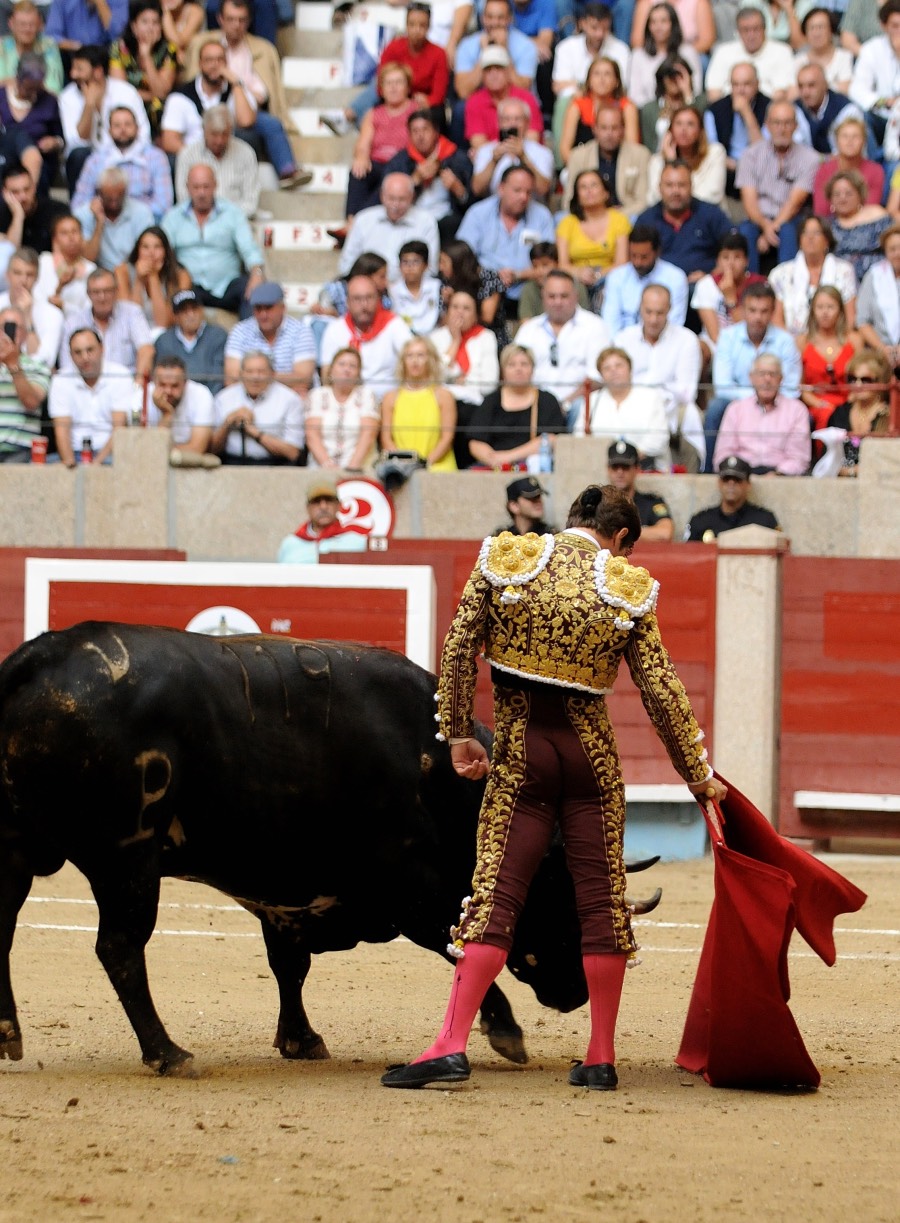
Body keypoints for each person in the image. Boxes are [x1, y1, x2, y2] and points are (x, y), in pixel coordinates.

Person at [381, 484, 724, 1091]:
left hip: (522, 755)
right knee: (601, 907)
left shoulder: (506, 562)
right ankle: (600, 1057)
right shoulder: (623, 587)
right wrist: (698, 777)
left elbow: (459, 650)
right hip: (592, 762)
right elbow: (663, 695)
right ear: (619, 538)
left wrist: (460, 736)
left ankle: (450, 1045)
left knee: (496, 896)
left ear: (568, 521)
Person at [164, 36, 309, 189]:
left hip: (228, 154)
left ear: (227, 63)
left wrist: (236, 83)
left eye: (220, 60)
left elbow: (246, 120)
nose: (215, 65)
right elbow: (169, 140)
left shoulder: (235, 90)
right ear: (200, 64)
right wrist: (199, 157)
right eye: (209, 60)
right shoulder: (181, 96)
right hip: (195, 157)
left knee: (250, 135)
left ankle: (287, 171)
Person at [706, 281, 800, 466]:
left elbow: (791, 389)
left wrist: (766, 397)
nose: (758, 317)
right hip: (736, 403)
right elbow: (722, 387)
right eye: (752, 310)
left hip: (777, 402)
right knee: (716, 408)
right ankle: (710, 471)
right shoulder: (728, 337)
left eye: (764, 311)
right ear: (742, 310)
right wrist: (755, 398)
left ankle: (796, 470)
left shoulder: (786, 341)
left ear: (773, 312)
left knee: (803, 413)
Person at [321, 2, 450, 135]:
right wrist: (397, 94)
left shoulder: (438, 54)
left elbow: (439, 94)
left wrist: (426, 101)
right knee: (378, 84)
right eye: (412, 24)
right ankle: (349, 116)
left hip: (422, 103)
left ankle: (347, 116)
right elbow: (382, 81)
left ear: (429, 27)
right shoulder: (394, 47)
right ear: (406, 26)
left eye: (422, 25)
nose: (417, 30)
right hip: (395, 94)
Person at [615, 283, 704, 469]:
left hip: (671, 407)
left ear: (670, 310)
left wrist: (653, 398)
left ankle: (689, 473)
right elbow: (618, 383)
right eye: (648, 312)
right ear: (640, 308)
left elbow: (687, 392)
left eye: (660, 313)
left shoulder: (686, 339)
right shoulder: (623, 339)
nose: (654, 319)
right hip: (630, 404)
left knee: (691, 415)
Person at [162, 163, 265, 318]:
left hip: (226, 285)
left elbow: (249, 248)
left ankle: (249, 340)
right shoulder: (173, 217)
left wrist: (257, 273)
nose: (201, 193)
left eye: (206, 187)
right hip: (189, 287)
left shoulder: (232, 213)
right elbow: (163, 251)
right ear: (187, 187)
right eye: (196, 187)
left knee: (251, 289)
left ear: (215, 185)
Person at [455, 165, 555, 312]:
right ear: (501, 188)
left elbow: (551, 264)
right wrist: (492, 276)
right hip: (484, 289)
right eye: (517, 190)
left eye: (528, 192)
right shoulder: (478, 213)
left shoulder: (542, 216)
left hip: (529, 289)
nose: (523, 197)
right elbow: (462, 258)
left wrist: (518, 275)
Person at [736, 100, 819, 273]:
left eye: (787, 123)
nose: (782, 129)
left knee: (789, 231)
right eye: (776, 123)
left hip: (791, 218)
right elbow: (749, 201)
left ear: (796, 126)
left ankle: (786, 287)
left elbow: (794, 203)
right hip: (758, 218)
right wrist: (765, 226)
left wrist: (771, 230)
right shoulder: (750, 155)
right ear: (767, 125)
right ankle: (750, 285)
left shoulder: (810, 158)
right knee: (745, 231)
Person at [59, 44, 150, 195]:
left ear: (98, 72)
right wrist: (88, 106)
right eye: (73, 69)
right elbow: (75, 142)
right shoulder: (68, 97)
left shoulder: (126, 92)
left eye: (79, 69)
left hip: (125, 155)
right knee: (78, 154)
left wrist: (116, 157)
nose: (73, 74)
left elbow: (143, 135)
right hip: (89, 162)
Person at [514, 269, 610, 406]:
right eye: (552, 296)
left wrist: (564, 405)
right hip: (535, 405)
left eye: (564, 296)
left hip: (579, 405)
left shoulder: (595, 326)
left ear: (576, 296)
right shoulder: (529, 330)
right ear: (543, 297)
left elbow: (597, 378)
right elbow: (515, 372)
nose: (557, 302)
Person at [429, 289, 500, 467]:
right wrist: (455, 342)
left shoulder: (486, 337)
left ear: (475, 314)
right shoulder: (436, 337)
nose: (460, 312)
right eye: (455, 307)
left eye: (466, 308)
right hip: (441, 402)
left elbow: (490, 383)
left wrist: (462, 380)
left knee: (467, 414)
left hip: (474, 405)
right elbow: (433, 377)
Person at [635, 160, 735, 285]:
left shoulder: (711, 214)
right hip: (658, 288)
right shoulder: (646, 220)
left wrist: (711, 276)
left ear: (691, 187)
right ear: (659, 188)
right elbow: (636, 260)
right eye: (669, 185)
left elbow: (735, 250)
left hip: (702, 286)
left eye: (681, 185)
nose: (676, 191)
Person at [467, 343, 566, 468]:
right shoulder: (491, 401)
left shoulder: (547, 400)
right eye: (511, 365)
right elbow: (475, 443)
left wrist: (508, 457)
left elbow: (551, 439)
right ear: (503, 370)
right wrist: (494, 460)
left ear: (533, 369)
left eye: (524, 364)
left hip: (532, 467)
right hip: (494, 467)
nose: (518, 369)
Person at [713, 352, 812, 475]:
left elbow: (799, 458)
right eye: (761, 374)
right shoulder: (735, 409)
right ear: (751, 378)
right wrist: (739, 473)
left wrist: (778, 474)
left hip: (781, 476)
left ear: (781, 378)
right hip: (741, 476)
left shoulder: (797, 410)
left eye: (773, 374)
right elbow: (723, 454)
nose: (767, 379)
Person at [71, 105, 173, 224]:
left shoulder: (156, 157)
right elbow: (78, 205)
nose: (123, 129)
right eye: (117, 125)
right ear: (109, 131)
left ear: (138, 128)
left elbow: (164, 205)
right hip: (105, 222)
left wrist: (127, 212)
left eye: (128, 124)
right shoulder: (95, 161)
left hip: (143, 223)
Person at [380, 109, 471, 238]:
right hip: (411, 217)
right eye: (415, 131)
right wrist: (413, 181)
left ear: (436, 132)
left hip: (446, 219)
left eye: (425, 130)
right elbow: (386, 195)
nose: (420, 136)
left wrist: (459, 190)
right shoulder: (399, 162)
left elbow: (474, 201)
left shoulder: (457, 158)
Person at [575, 346, 671, 469]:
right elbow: (579, 437)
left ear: (630, 369)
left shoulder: (650, 397)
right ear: (601, 375)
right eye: (607, 368)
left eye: (619, 365)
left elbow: (659, 438)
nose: (613, 371)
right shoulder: (592, 400)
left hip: (644, 466)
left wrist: (628, 457)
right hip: (601, 467)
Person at [48, 328, 130, 468]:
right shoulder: (60, 379)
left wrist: (95, 466)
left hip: (111, 455)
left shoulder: (120, 375)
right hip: (74, 454)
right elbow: (61, 430)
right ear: (70, 355)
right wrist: (70, 466)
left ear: (102, 349)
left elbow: (119, 429)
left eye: (90, 350)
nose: (85, 357)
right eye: (78, 352)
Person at [344, 62, 417, 218]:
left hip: (402, 164)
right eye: (388, 83)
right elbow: (363, 143)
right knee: (358, 172)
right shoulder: (373, 113)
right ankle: (351, 219)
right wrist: (361, 157)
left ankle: (356, 222)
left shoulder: (415, 111)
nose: (393, 87)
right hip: (377, 163)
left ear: (408, 87)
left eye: (398, 83)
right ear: (381, 89)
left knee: (390, 176)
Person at [320, 273, 412, 394]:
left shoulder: (394, 324)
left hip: (388, 399)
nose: (364, 305)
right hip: (348, 399)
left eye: (369, 298)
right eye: (357, 299)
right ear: (347, 302)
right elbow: (327, 375)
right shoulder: (335, 329)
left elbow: (412, 359)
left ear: (378, 299)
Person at [339, 172, 439, 283]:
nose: (395, 205)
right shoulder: (364, 219)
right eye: (391, 198)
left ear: (412, 197)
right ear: (382, 195)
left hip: (410, 290)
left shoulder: (425, 221)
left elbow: (431, 267)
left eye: (402, 199)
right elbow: (347, 263)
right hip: (370, 290)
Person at [769, 215, 857, 337]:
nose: (810, 237)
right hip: (790, 344)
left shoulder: (845, 270)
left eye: (816, 233)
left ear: (827, 240)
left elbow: (850, 318)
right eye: (805, 233)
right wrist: (794, 346)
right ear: (799, 240)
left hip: (834, 342)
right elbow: (776, 319)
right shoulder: (780, 273)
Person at [61, 266, 155, 380]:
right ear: (88, 294)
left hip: (127, 386)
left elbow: (146, 350)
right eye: (96, 292)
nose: (102, 297)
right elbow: (67, 366)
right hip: (87, 388)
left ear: (116, 291)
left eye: (107, 291)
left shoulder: (132, 313)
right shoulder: (73, 322)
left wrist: (138, 386)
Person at [211, 350, 304, 464]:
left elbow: (293, 453)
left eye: (261, 372)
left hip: (275, 465)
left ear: (272, 374)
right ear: (241, 374)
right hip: (230, 462)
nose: (255, 377)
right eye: (249, 371)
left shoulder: (289, 399)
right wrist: (227, 423)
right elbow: (211, 450)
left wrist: (253, 431)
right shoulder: (224, 398)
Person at [380, 335, 458, 471]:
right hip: (400, 470)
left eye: (420, 355)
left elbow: (447, 438)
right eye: (409, 356)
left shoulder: (443, 395)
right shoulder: (390, 397)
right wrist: (403, 464)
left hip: (438, 468)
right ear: (403, 361)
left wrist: (424, 464)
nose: (415, 361)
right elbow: (386, 439)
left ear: (430, 359)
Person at [223, 280, 316, 390]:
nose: (263, 314)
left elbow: (303, 380)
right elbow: (231, 378)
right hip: (250, 398)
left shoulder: (300, 331)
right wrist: (279, 378)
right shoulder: (240, 331)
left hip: (291, 398)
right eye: (258, 308)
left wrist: (255, 378)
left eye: (268, 308)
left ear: (283, 308)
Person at [562, 103, 650, 217]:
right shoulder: (578, 156)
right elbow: (569, 200)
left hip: (626, 214)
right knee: (561, 218)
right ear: (595, 129)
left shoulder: (640, 155)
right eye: (604, 128)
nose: (609, 134)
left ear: (622, 129)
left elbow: (643, 201)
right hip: (588, 217)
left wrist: (613, 216)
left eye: (614, 128)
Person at [173, 104, 260, 219]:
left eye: (224, 134)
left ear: (231, 131)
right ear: (204, 130)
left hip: (235, 222)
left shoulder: (246, 153)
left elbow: (251, 202)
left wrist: (225, 220)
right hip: (197, 223)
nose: (219, 141)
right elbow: (183, 200)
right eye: (214, 134)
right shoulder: (187, 155)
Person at [690, 231, 766, 363]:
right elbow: (715, 335)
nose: (731, 263)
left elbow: (751, 331)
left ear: (746, 261)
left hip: (752, 344)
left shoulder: (760, 285)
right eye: (725, 257)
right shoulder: (706, 284)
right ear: (717, 261)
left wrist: (731, 299)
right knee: (696, 348)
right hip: (715, 344)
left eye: (737, 257)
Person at [556, 169, 631, 299]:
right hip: (576, 279)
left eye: (594, 185)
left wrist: (598, 275)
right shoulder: (567, 223)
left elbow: (622, 262)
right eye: (583, 187)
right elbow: (562, 264)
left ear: (606, 193)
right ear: (577, 195)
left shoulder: (619, 220)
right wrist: (579, 273)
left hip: (611, 277)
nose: (589, 190)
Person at [108, 0, 179, 137]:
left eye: (155, 22)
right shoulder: (119, 49)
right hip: (127, 106)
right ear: (134, 26)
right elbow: (120, 91)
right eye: (145, 22)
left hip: (158, 110)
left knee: (158, 106)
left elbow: (161, 92)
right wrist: (149, 95)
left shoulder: (168, 50)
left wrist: (146, 57)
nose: (150, 28)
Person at [600, 223, 689, 332]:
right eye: (633, 256)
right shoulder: (616, 277)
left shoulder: (675, 278)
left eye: (644, 257)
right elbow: (610, 323)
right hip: (622, 343)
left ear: (657, 252)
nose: (638, 262)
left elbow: (674, 324)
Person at [303, 347, 380, 471]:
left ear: (358, 373)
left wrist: (352, 468)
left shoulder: (367, 395)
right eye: (342, 364)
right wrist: (328, 466)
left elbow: (369, 434)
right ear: (331, 370)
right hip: (320, 468)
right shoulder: (317, 395)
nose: (346, 369)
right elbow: (312, 435)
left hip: (359, 469)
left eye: (352, 366)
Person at [703, 62, 768, 205]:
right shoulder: (714, 110)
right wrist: (735, 165)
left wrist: (747, 113)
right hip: (727, 170)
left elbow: (764, 152)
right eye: (735, 85)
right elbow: (712, 151)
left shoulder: (769, 107)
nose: (740, 90)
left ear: (757, 84)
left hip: (761, 172)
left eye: (746, 85)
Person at [798, 285, 861, 430]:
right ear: (813, 311)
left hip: (850, 402)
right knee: (826, 415)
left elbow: (862, 379)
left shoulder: (854, 340)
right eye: (820, 307)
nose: (825, 312)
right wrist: (819, 404)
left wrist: (848, 403)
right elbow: (801, 387)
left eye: (830, 307)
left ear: (840, 311)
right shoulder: (802, 342)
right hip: (816, 404)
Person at [0, 53, 63, 195]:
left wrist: (54, 142)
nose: (32, 92)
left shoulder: (49, 101)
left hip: (38, 159)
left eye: (37, 87)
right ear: (18, 78)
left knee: (37, 172)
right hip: (3, 156)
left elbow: (60, 137)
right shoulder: (1, 95)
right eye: (28, 88)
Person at [470, 96, 554, 201]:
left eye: (518, 119)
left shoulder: (542, 153)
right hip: (495, 210)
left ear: (527, 123)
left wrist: (523, 157)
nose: (512, 124)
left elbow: (544, 190)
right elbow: (477, 189)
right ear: (499, 123)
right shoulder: (486, 151)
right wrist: (494, 161)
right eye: (507, 119)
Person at [704, 5, 795, 102]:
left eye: (756, 29)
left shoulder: (782, 51)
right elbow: (713, 93)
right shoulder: (723, 52)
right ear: (738, 31)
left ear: (765, 29)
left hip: (768, 111)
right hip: (730, 110)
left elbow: (782, 93)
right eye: (745, 30)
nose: (751, 35)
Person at [559, 56, 640, 164]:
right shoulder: (577, 106)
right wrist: (580, 169)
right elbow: (565, 149)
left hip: (619, 166)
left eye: (607, 74)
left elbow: (632, 147)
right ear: (589, 80)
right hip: (583, 166)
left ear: (616, 81)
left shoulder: (627, 107)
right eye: (596, 74)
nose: (602, 79)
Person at [462, 44, 544, 151]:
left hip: (526, 155)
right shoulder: (475, 101)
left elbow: (533, 139)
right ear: (482, 75)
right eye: (488, 70)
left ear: (508, 71)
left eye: (499, 69)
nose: (494, 74)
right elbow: (478, 145)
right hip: (493, 159)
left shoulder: (526, 98)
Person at [826, 347, 893, 475]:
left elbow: (888, 461)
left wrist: (851, 471)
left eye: (865, 380)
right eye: (852, 379)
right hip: (839, 485)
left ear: (880, 381)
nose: (858, 385)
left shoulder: (889, 416)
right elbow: (827, 456)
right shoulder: (840, 413)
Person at [113, 224, 191, 333]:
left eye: (157, 247)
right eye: (145, 247)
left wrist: (153, 277)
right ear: (138, 250)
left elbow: (163, 323)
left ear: (166, 251)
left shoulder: (180, 275)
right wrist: (139, 280)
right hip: (132, 334)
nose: (151, 253)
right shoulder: (122, 271)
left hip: (165, 335)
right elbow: (130, 319)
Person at [646, 106, 727, 207]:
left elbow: (713, 196)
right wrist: (671, 163)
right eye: (679, 124)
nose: (683, 129)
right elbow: (653, 199)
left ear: (700, 131)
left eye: (690, 124)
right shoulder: (657, 161)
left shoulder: (715, 153)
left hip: (707, 217)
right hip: (669, 220)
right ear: (670, 131)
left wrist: (674, 198)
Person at [684, 453, 779, 539]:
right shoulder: (701, 521)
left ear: (748, 484)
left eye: (737, 479)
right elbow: (687, 554)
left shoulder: (764, 521)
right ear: (719, 483)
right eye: (726, 479)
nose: (731, 484)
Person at [153, 286, 227, 395]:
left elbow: (218, 378)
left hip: (210, 400)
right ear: (176, 316)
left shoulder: (218, 336)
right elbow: (161, 378)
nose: (191, 315)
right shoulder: (164, 341)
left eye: (194, 308)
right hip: (173, 398)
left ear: (202, 310)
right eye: (184, 311)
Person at [627, 2, 703, 108]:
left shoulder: (688, 52)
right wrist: (658, 109)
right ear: (648, 26)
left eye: (663, 21)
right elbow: (635, 96)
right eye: (653, 22)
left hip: (684, 110)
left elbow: (697, 89)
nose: (658, 27)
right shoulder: (638, 55)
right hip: (651, 114)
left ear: (673, 24)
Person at [0, 246, 63, 370]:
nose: (23, 280)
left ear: (37, 278)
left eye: (29, 274)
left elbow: (45, 362)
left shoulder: (53, 314)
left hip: (34, 381)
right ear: (7, 275)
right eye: (17, 273)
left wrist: (27, 317)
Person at [0, 303, 49, 461]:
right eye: (4, 327)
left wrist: (13, 365)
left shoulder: (37, 366)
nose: (9, 333)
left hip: (20, 450)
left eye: (15, 328)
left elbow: (31, 401)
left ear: (26, 334)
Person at [824, 170, 892, 282]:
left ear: (860, 195)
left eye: (848, 193)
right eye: (837, 194)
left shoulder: (877, 216)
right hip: (839, 281)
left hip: (879, 278)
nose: (842, 198)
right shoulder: (827, 226)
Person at [144, 353, 215, 458]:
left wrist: (159, 452)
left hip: (190, 465)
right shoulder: (142, 396)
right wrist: (167, 414)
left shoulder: (201, 394)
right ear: (154, 382)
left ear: (186, 382)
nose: (168, 391)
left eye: (174, 385)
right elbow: (145, 451)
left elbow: (197, 449)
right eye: (162, 385)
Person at [276, 482, 369, 562]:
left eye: (329, 501)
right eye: (316, 502)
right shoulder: (290, 544)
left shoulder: (357, 542)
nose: (323, 507)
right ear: (308, 508)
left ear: (338, 506)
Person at [439, 238, 506, 348]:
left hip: (488, 337)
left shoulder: (489, 278)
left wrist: (456, 300)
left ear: (457, 262)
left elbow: (487, 317)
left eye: (444, 262)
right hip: (454, 335)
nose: (440, 267)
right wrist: (448, 303)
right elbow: (444, 322)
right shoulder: (446, 282)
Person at [812, 116, 884, 218]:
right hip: (830, 226)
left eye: (855, 136)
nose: (850, 141)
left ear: (864, 141)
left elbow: (870, 210)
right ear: (836, 141)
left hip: (864, 226)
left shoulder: (876, 171)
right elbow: (821, 210)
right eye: (845, 136)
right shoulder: (824, 170)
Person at [605, 439, 674, 539]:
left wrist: (619, 534)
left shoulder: (650, 503)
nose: (620, 472)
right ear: (608, 469)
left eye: (625, 467)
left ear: (637, 468)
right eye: (615, 467)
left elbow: (666, 533)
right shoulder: (598, 505)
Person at [34, 213, 96, 320]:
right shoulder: (44, 261)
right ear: (54, 239)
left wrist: (65, 306)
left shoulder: (91, 269)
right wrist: (60, 286)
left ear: (82, 237)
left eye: (75, 232)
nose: (71, 237)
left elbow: (90, 310)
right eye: (64, 233)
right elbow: (38, 299)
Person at [0, 159, 68, 253]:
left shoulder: (58, 211)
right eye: (15, 192)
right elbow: (7, 256)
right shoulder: (2, 215)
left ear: (34, 187)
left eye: (27, 189)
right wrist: (18, 216)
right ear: (5, 193)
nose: (23, 197)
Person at [856, 224, 900, 365]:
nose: (897, 253)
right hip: (878, 353)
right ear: (885, 251)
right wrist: (883, 349)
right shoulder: (874, 275)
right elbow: (862, 321)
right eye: (892, 249)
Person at [792, 63, 859, 155]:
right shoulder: (794, 109)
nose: (805, 92)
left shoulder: (847, 110)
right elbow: (795, 148)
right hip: (807, 165)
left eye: (811, 85)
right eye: (801, 86)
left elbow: (853, 150)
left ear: (825, 85)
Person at [0, 1, 64, 95]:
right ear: (11, 24)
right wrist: (34, 83)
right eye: (22, 24)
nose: (27, 29)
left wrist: (15, 82)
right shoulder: (2, 47)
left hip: (41, 103)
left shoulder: (49, 46)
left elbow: (54, 88)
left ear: (40, 25)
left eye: (32, 24)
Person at [517, 240, 591, 318]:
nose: (539, 271)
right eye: (535, 266)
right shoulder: (528, 289)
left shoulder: (576, 287)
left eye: (545, 265)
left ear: (557, 264)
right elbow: (525, 322)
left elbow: (584, 321)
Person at [793, 6, 853, 93]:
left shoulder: (845, 57)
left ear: (831, 31)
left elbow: (845, 90)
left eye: (821, 27)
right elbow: (793, 94)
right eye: (811, 28)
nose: (816, 33)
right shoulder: (798, 61)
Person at [389, 239, 444, 334]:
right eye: (405, 262)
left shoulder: (438, 287)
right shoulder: (391, 291)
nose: (410, 267)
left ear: (426, 265)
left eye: (416, 262)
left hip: (434, 336)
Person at [45, 0, 129, 50]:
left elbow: (118, 35)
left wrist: (100, 3)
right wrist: (79, 48)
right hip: (74, 55)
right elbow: (51, 36)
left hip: (107, 55)